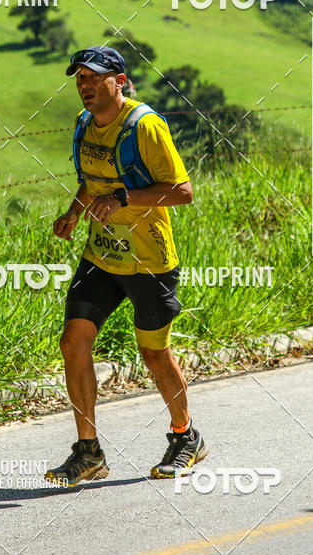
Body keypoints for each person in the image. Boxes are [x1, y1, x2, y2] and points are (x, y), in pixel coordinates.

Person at [47, 45, 207, 488]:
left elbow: (182, 191)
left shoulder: (146, 126)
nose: (85, 86)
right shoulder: (84, 125)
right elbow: (91, 179)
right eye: (80, 79)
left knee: (154, 355)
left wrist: (121, 199)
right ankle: (88, 452)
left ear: (119, 81)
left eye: (95, 78)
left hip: (149, 260)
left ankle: (185, 436)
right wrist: (75, 212)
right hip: (101, 254)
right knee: (72, 342)